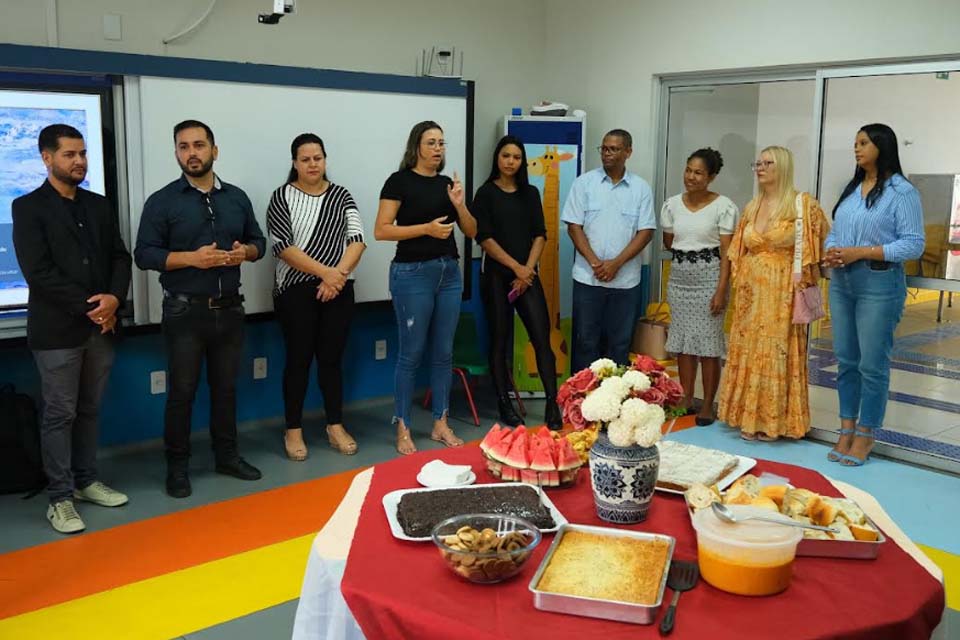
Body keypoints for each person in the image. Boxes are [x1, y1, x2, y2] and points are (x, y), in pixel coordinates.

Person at [134, 119, 266, 498]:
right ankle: (178, 468)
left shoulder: (236, 197)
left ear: (214, 150)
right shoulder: (162, 201)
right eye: (183, 147)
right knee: (182, 393)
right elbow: (144, 254)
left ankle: (227, 456)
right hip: (184, 313)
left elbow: (259, 242)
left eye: (198, 145)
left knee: (226, 390)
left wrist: (246, 252)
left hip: (230, 310)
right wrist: (191, 258)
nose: (191, 153)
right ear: (177, 153)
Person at [12, 124, 131, 533]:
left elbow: (120, 256)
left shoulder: (98, 205)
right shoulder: (28, 208)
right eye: (69, 154)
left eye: (82, 153)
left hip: (102, 328)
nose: (79, 161)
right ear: (47, 158)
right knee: (60, 414)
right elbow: (38, 272)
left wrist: (114, 298)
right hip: (57, 332)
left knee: (90, 409)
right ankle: (59, 498)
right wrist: (94, 308)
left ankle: (85, 481)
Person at [822, 124, 924, 466]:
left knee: (872, 364)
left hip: (879, 283)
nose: (857, 148)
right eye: (855, 143)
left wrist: (861, 252)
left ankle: (866, 433)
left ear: (883, 146)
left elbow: (913, 244)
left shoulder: (902, 192)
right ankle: (846, 429)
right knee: (846, 360)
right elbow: (835, 232)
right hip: (843, 282)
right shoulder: (852, 189)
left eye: (863, 143)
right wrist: (833, 250)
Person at [374, 120, 477, 455]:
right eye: (431, 142)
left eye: (442, 143)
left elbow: (472, 231)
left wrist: (459, 204)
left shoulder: (448, 184)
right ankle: (403, 427)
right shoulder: (399, 181)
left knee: (444, 353)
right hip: (412, 273)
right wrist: (426, 229)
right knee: (411, 353)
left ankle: (440, 423)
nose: (437, 148)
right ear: (416, 146)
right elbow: (382, 230)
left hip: (449, 273)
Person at [717, 146, 829, 441]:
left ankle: (774, 422)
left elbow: (821, 242)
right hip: (750, 293)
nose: (761, 168)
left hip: (782, 292)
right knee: (749, 349)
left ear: (783, 167)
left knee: (776, 349)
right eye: (758, 163)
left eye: (768, 163)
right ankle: (747, 417)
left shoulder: (803, 205)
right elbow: (737, 250)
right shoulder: (752, 206)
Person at [267, 133, 366, 461]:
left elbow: (357, 240)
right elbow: (283, 247)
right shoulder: (281, 196)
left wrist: (337, 277)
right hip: (295, 291)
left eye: (318, 158)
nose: (312, 164)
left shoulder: (341, 195)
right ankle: (293, 429)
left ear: (325, 160)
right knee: (298, 361)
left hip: (338, 290)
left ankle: (335, 425)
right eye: (305, 159)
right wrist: (327, 273)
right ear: (294, 163)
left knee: (331, 361)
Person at [474, 135, 562, 429]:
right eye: (505, 156)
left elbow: (540, 234)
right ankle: (504, 404)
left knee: (541, 338)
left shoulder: (530, 193)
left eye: (516, 157)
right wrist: (516, 269)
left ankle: (552, 403)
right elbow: (484, 238)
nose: (510, 161)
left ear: (522, 161)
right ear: (497, 158)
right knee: (499, 341)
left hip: (527, 276)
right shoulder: (485, 193)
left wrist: (526, 271)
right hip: (496, 277)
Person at [561, 129, 656, 372]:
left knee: (619, 345)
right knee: (585, 342)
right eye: (604, 148)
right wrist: (596, 263)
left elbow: (646, 232)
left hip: (625, 282)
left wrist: (615, 264)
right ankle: (583, 395)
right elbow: (573, 227)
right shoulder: (584, 183)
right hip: (588, 278)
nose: (606, 153)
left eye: (613, 149)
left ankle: (615, 396)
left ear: (628, 152)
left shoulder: (641, 188)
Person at [661, 148, 738, 426]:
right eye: (688, 170)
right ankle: (686, 398)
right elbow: (669, 242)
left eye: (698, 173)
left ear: (711, 177)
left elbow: (728, 253)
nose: (691, 177)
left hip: (710, 279)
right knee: (683, 344)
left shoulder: (724, 207)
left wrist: (721, 289)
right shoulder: (671, 205)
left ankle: (707, 405)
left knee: (708, 346)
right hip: (680, 279)